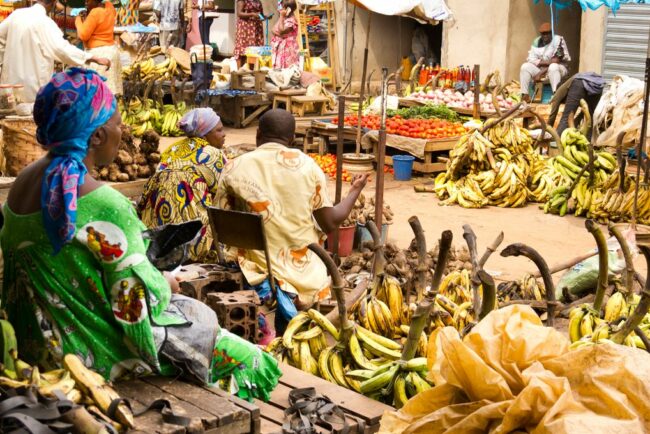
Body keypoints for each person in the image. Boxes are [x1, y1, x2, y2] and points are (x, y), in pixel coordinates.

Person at [1, 68, 280, 401]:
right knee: (253, 361)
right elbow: (135, 314)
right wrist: (164, 284)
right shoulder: (106, 204)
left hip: (34, 349)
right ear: (98, 137)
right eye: (118, 124)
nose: (124, 131)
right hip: (93, 357)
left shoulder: (19, 187)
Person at [216, 109, 368, 332]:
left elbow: (221, 221)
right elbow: (330, 223)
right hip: (300, 271)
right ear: (292, 139)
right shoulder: (309, 167)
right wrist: (355, 190)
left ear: (258, 134)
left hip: (250, 265)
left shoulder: (233, 167)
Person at [138, 108, 227, 263]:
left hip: (157, 237)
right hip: (192, 241)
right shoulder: (212, 154)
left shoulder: (172, 149)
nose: (224, 134)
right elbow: (223, 188)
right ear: (204, 134)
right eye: (219, 130)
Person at [0, 0, 110, 103]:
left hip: (10, 86)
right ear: (53, 3)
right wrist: (92, 57)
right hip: (33, 88)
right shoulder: (45, 22)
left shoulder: (16, 15)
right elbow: (61, 48)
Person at [75, 0, 123, 96]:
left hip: (99, 54)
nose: (86, 3)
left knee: (97, 95)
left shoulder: (95, 12)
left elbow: (83, 35)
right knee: (109, 94)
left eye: (88, 1)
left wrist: (78, 20)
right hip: (111, 51)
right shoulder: (109, 6)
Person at [520, 22, 571, 103]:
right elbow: (531, 59)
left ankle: (556, 96)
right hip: (543, 70)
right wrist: (544, 63)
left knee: (553, 66)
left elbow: (557, 60)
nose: (545, 36)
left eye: (547, 33)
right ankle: (524, 95)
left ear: (552, 33)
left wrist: (540, 72)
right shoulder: (536, 42)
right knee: (525, 66)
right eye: (543, 34)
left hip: (559, 69)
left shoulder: (558, 40)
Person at [548, 72, 605, 137]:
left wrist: (548, 131)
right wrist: (574, 124)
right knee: (589, 116)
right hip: (598, 86)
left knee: (566, 116)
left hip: (580, 83)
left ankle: (558, 141)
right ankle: (587, 143)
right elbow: (583, 113)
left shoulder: (558, 93)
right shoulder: (569, 85)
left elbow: (552, 115)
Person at [271, 0, 300, 70]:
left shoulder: (292, 21)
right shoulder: (284, 18)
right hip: (281, 48)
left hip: (288, 49)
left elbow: (281, 30)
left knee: (288, 69)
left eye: (282, 8)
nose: (280, 10)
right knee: (279, 68)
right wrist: (279, 34)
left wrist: (281, 16)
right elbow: (273, 29)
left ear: (288, 10)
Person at [233, 0, 264, 64]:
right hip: (245, 27)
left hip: (256, 28)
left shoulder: (258, 1)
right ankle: (240, 71)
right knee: (242, 49)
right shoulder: (243, 0)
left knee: (254, 50)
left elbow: (261, 15)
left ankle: (251, 70)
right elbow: (239, 13)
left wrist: (265, 17)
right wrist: (252, 14)